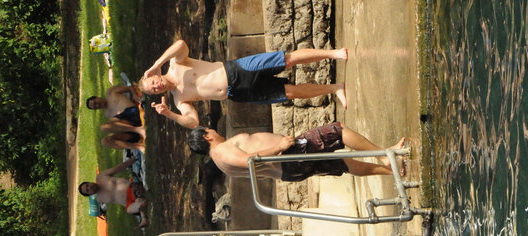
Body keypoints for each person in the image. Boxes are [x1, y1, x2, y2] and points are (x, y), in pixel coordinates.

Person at [140, 39, 347, 129]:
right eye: (153, 90)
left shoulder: (176, 65)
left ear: (154, 75)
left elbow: (180, 44)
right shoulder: (179, 99)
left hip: (237, 70)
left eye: (152, 82)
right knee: (289, 93)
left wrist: (157, 63)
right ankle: (334, 88)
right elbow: (193, 122)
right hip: (238, 93)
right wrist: (169, 114)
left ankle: (333, 53)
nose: (156, 86)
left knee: (287, 60)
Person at [188, 122, 405, 181]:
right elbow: (249, 161)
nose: (214, 130)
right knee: (337, 131)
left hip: (289, 170)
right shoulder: (222, 151)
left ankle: (392, 171)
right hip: (289, 156)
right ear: (207, 137)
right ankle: (385, 155)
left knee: (341, 163)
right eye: (210, 130)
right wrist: (279, 147)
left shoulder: (221, 165)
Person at [78, 158, 149, 229]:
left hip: (132, 188)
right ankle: (143, 215)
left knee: (138, 198)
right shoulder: (99, 199)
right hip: (129, 203)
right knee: (130, 210)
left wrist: (134, 159)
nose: (89, 188)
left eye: (87, 185)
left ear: (89, 182)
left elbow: (118, 168)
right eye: (87, 190)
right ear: (90, 194)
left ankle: (143, 216)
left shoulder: (101, 177)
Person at [86, 85, 146, 150]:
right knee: (105, 142)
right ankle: (139, 147)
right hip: (129, 126)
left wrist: (134, 94)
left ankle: (138, 130)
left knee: (103, 127)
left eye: (95, 102)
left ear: (97, 97)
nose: (97, 105)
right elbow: (118, 127)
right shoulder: (107, 114)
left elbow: (130, 87)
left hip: (133, 113)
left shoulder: (110, 92)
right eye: (95, 107)